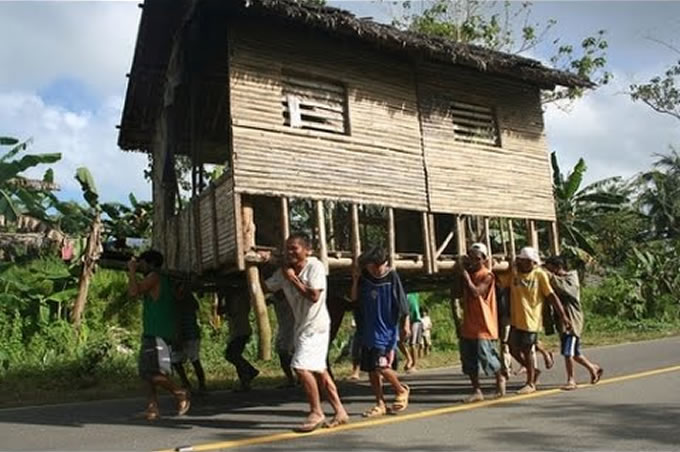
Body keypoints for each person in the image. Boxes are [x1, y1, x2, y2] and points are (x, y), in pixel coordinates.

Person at [264, 233, 348, 432]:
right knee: (320, 372)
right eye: (288, 249)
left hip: (316, 327)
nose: (290, 252)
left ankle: (316, 411)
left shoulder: (314, 266)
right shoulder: (284, 272)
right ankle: (340, 411)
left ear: (307, 250)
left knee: (301, 367)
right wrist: (259, 266)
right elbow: (265, 287)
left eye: (295, 248)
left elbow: (314, 296)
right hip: (302, 327)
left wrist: (293, 279)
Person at [496, 246, 572, 394]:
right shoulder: (514, 274)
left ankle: (530, 383)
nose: (528, 264)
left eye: (530, 262)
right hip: (516, 320)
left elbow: (551, 296)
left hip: (531, 320)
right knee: (511, 347)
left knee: (527, 350)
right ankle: (533, 371)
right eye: (524, 261)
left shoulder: (539, 275)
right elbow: (500, 281)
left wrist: (563, 316)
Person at [127, 250, 190, 421]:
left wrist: (131, 271)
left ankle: (179, 392)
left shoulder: (155, 277)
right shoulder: (165, 279)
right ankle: (152, 408)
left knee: (153, 372)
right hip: (153, 332)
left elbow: (133, 292)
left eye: (142, 263)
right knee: (146, 373)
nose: (140, 266)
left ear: (151, 264)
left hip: (157, 333)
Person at [351, 247, 411, 418]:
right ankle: (380, 403)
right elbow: (354, 299)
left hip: (386, 332)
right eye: (373, 266)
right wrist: (355, 280)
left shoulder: (391, 276)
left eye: (380, 265)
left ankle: (401, 389)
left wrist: (405, 324)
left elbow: (402, 302)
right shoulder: (364, 278)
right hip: (367, 330)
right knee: (371, 370)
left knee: (381, 365)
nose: (377, 269)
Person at [545, 255, 604, 390]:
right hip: (562, 322)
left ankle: (571, 380)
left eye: (551, 269)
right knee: (575, 353)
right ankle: (593, 368)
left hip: (571, 321)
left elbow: (566, 289)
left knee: (568, 352)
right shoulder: (557, 280)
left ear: (558, 268)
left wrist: (550, 277)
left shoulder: (572, 278)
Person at [457, 243, 506, 402]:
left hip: (484, 324)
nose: (474, 261)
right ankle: (477, 390)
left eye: (477, 258)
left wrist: (465, 277)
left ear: (484, 259)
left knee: (487, 357)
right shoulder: (469, 273)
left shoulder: (488, 275)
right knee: (469, 359)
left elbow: (477, 292)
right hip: (469, 324)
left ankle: (500, 378)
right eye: (471, 257)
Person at [171, 282, 207, 394]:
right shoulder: (176, 301)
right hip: (180, 335)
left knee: (194, 359)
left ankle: (202, 385)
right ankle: (186, 382)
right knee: (176, 360)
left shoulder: (188, 300)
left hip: (190, 334)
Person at [223, 291, 259, 391]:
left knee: (232, 355)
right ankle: (246, 380)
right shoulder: (239, 299)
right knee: (235, 356)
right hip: (238, 331)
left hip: (240, 331)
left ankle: (250, 372)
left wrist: (223, 298)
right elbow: (221, 311)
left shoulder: (239, 299)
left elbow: (230, 311)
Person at [269, 290, 296, 388]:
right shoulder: (274, 298)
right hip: (283, 329)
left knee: (289, 354)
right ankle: (291, 379)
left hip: (292, 329)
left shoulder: (291, 298)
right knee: (282, 353)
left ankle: (298, 378)